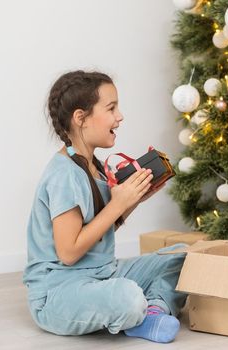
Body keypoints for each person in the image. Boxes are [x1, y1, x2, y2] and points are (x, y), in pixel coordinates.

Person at [23, 71, 186, 343]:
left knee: (182, 257)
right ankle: (140, 310)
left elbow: (98, 229)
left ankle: (153, 310)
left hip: (102, 274)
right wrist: (117, 204)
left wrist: (133, 200)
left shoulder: (93, 165)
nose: (119, 116)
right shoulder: (65, 174)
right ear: (81, 118)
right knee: (128, 297)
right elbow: (69, 252)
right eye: (111, 108)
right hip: (59, 291)